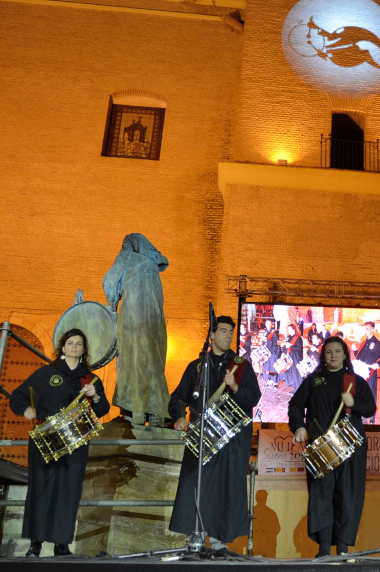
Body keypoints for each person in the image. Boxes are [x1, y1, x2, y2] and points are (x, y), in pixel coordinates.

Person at [9, 328, 109, 557]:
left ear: (84, 350)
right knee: (40, 490)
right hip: (45, 441)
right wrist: (25, 409)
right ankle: (36, 543)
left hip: (75, 444)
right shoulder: (46, 374)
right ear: (63, 348)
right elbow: (19, 395)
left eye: (79, 344)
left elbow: (103, 410)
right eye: (70, 343)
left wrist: (95, 396)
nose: (74, 346)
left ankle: (61, 544)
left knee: (68, 492)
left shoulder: (91, 379)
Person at [169, 315, 261, 550]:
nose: (228, 335)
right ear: (211, 336)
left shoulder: (241, 366)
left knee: (225, 486)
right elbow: (179, 397)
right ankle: (196, 533)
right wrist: (179, 417)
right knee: (197, 484)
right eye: (223, 331)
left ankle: (220, 539)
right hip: (202, 437)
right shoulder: (198, 366)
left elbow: (253, 397)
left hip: (231, 439)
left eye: (231, 331)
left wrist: (235, 387)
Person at [288, 336, 376, 556]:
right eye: (329, 352)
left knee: (347, 495)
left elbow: (370, 409)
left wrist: (353, 404)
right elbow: (295, 406)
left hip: (351, 446)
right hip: (321, 445)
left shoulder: (355, 381)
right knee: (321, 495)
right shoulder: (313, 381)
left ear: (345, 354)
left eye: (337, 351)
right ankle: (324, 548)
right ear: (323, 355)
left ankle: (343, 548)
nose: (333, 355)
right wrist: (299, 427)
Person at [102, 233, 170, 427]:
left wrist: (112, 306)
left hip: (133, 319)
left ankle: (136, 410)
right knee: (154, 364)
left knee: (132, 359)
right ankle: (157, 410)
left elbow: (109, 281)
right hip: (156, 323)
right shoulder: (152, 266)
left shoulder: (127, 257)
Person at [355, 321, 380, 401]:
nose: (366, 331)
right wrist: (355, 351)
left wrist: (378, 364)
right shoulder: (364, 343)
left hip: (370, 374)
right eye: (365, 329)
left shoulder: (376, 344)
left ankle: (370, 413)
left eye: (368, 329)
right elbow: (360, 357)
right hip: (361, 373)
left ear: (372, 329)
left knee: (369, 396)